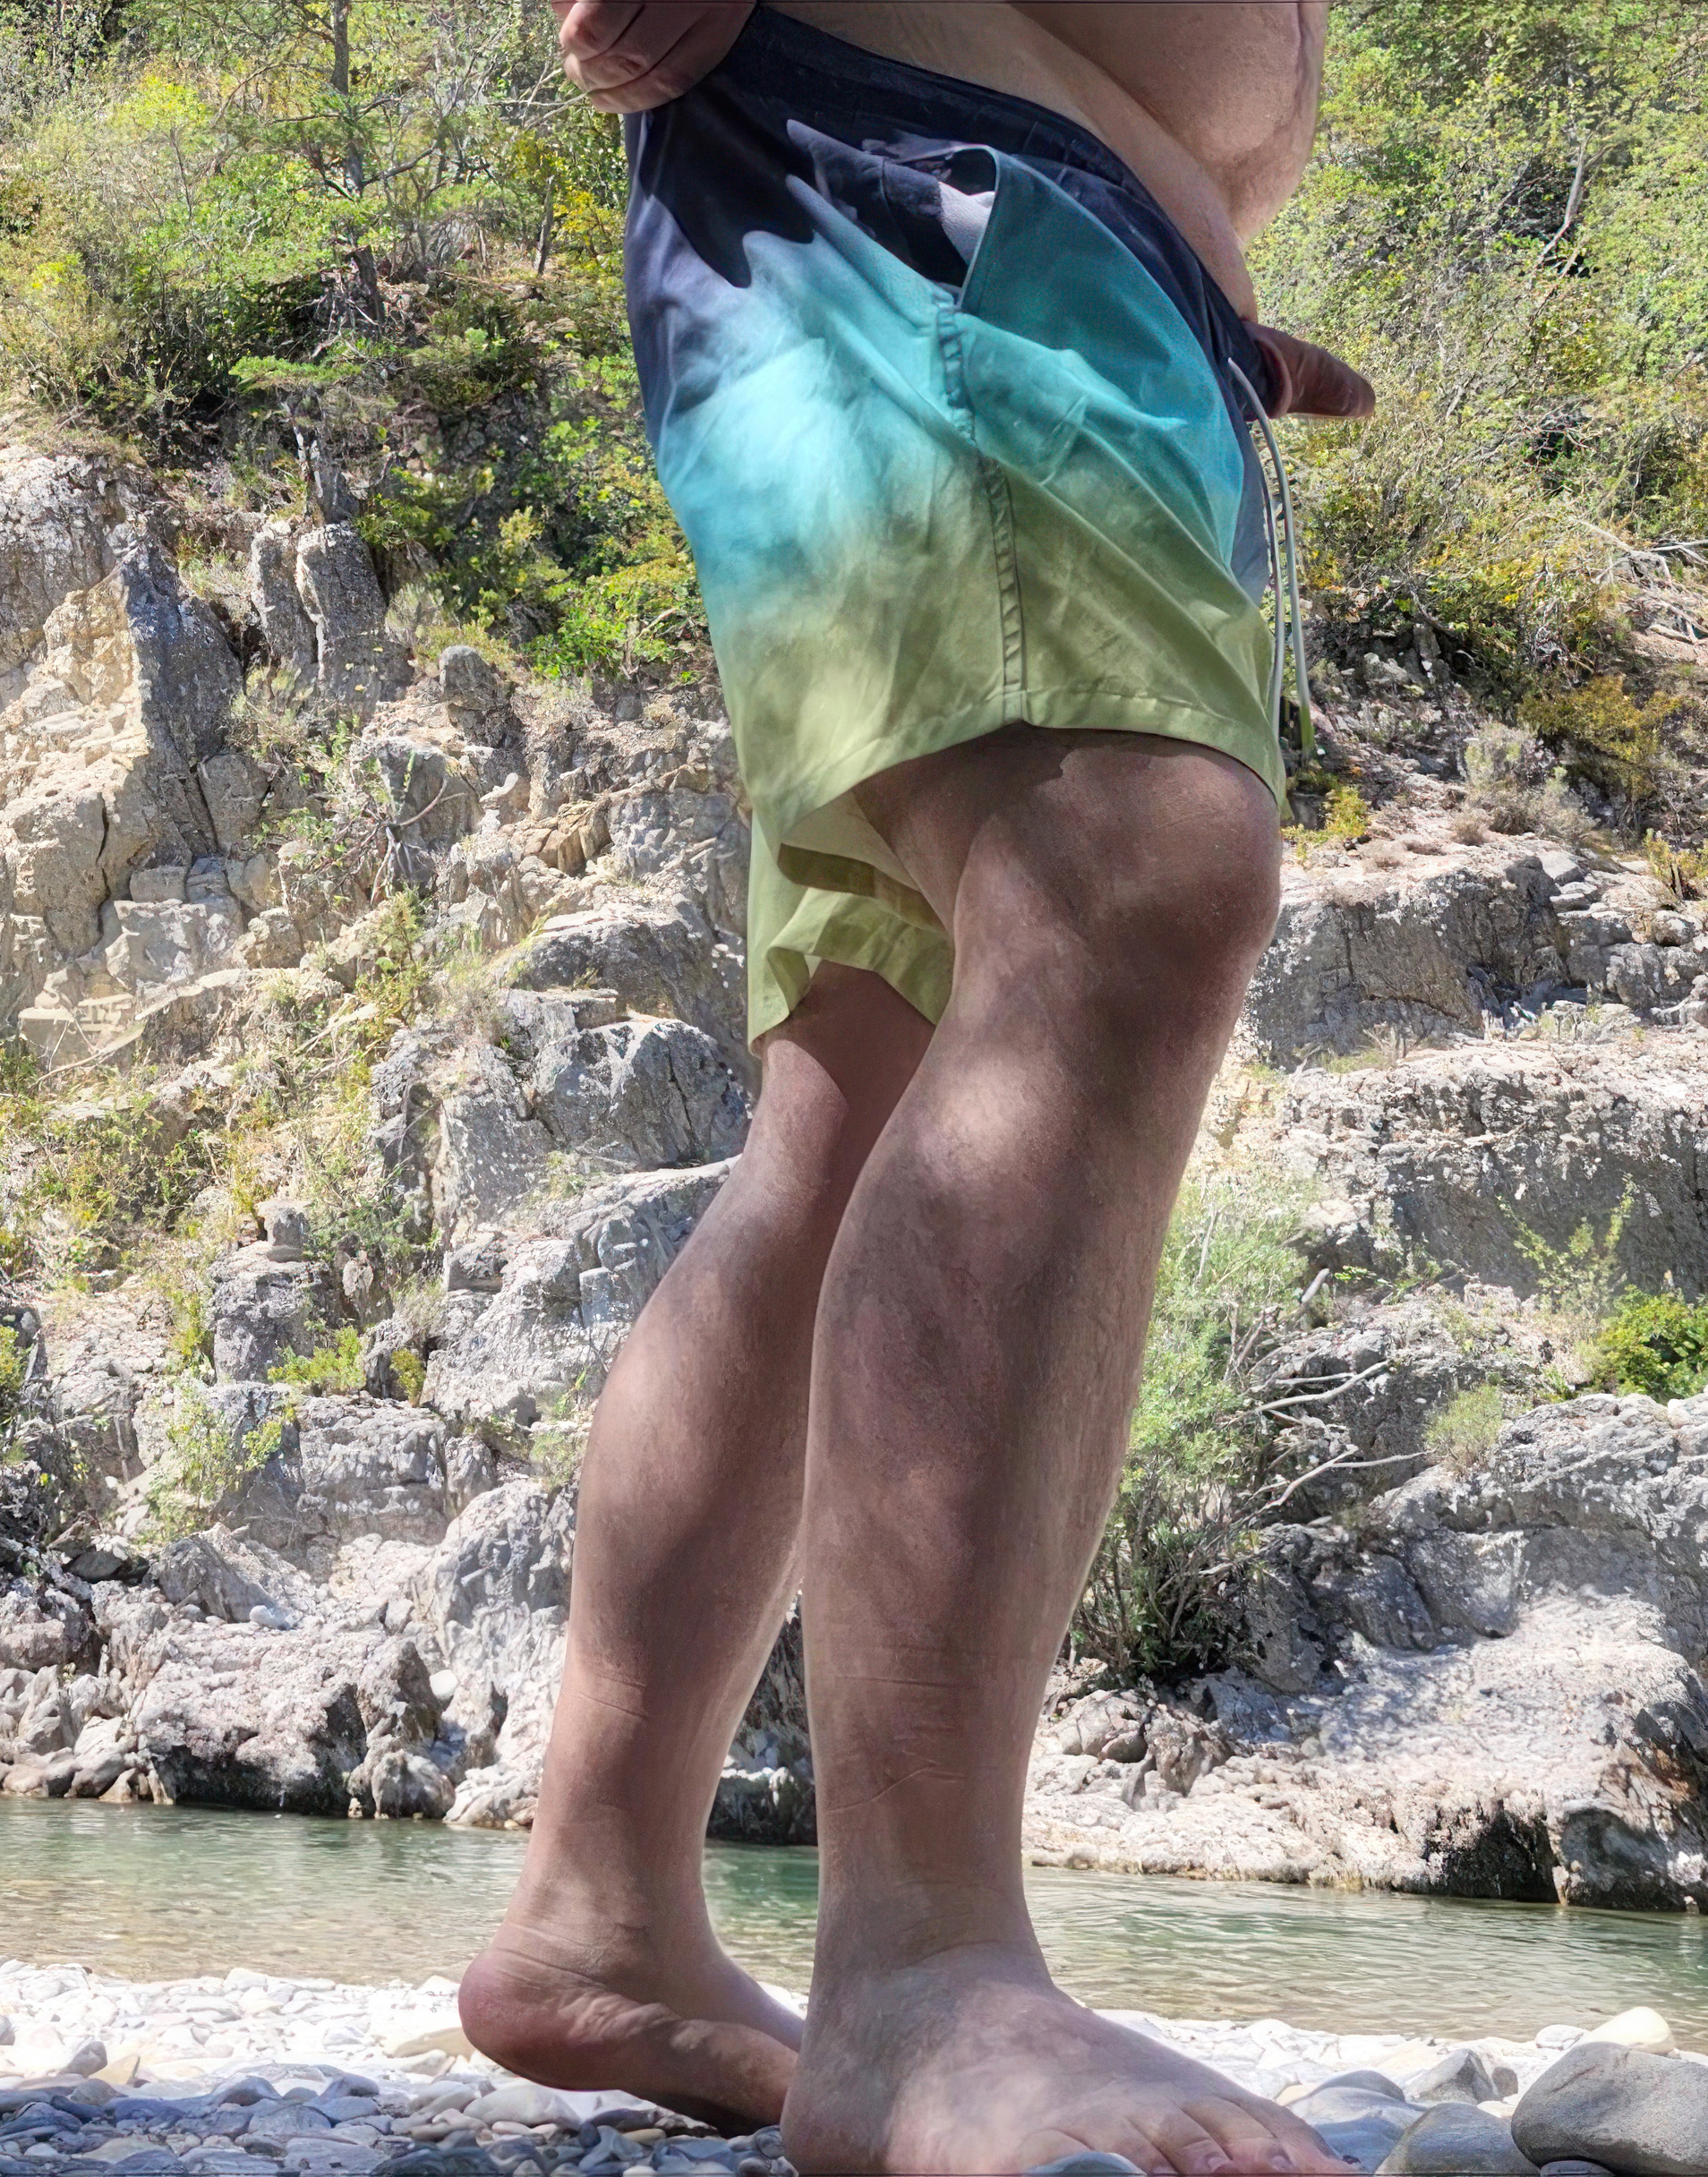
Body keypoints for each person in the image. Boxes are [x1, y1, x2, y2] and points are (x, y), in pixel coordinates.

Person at [452, 5, 1374, 2173]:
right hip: (900, 189)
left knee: (857, 1105)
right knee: (1114, 869)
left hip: (1031, 257)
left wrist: (1190, 253)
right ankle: (926, 1973)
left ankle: (606, 1906)